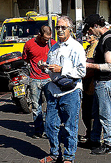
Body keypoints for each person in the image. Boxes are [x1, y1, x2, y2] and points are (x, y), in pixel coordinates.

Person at [39, 16, 86, 163]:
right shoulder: (53, 47)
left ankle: (69, 157)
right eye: (57, 28)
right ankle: (54, 154)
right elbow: (52, 70)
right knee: (50, 125)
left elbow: (82, 71)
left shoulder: (76, 47)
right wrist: (45, 67)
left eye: (62, 27)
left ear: (70, 30)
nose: (59, 30)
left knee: (70, 126)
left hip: (70, 92)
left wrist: (62, 69)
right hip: (54, 91)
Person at [82, 14, 111, 155]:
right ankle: (94, 140)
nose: (89, 33)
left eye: (89, 30)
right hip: (100, 82)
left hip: (104, 82)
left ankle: (108, 143)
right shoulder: (105, 39)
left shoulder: (107, 39)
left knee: (104, 114)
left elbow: (109, 66)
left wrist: (89, 65)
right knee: (97, 113)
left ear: (95, 26)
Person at [22, 25, 56, 138]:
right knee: (36, 106)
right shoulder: (29, 44)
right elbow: (25, 58)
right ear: (39, 35)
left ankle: (49, 129)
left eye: (49, 39)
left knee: (51, 105)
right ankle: (38, 130)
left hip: (49, 79)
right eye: (45, 39)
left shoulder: (53, 43)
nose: (47, 42)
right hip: (34, 79)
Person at [79, 32, 98, 143]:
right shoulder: (88, 47)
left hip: (91, 85)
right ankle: (89, 133)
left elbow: (92, 67)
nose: (87, 37)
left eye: (89, 35)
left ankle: (92, 136)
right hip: (86, 85)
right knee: (86, 112)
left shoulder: (96, 47)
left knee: (90, 112)